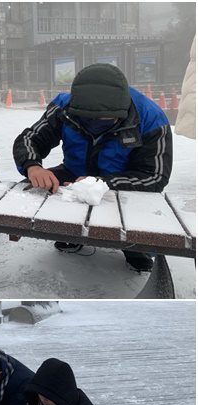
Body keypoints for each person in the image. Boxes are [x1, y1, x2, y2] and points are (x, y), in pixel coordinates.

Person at [13, 63, 172, 272]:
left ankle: (134, 247)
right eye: (89, 119)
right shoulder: (64, 108)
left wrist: (104, 183)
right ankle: (69, 233)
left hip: (122, 183)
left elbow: (154, 176)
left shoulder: (151, 118)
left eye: (105, 120)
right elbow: (30, 138)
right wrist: (33, 166)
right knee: (31, 187)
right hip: (74, 172)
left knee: (135, 220)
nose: (96, 123)